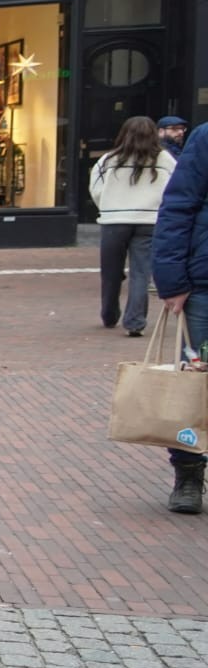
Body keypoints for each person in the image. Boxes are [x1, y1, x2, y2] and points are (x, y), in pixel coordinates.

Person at [153, 121, 208, 513]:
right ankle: (188, 473)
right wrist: (172, 280)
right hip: (205, 286)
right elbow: (177, 206)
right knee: (195, 382)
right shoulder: (205, 138)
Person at [93, 116, 174, 338]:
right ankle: (135, 322)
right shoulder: (164, 159)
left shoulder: (109, 159)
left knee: (111, 271)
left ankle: (109, 314)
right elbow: (175, 186)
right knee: (141, 272)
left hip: (114, 221)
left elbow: (96, 188)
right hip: (149, 220)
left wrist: (107, 206)